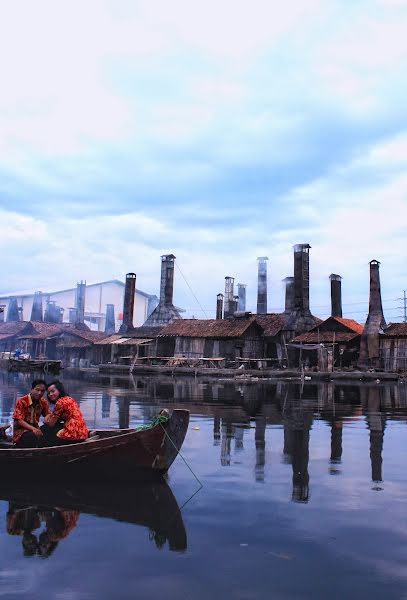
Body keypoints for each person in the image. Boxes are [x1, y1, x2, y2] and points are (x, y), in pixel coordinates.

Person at [42, 381, 88, 445]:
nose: (50, 394)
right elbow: (57, 418)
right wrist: (50, 416)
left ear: (59, 391)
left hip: (72, 433)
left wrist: (45, 420)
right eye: (48, 393)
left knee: (46, 429)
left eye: (53, 391)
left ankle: (45, 449)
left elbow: (51, 424)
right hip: (82, 432)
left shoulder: (59, 402)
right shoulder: (69, 398)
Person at [12, 379, 50, 447]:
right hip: (21, 432)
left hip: (35, 430)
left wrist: (47, 417)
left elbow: (48, 414)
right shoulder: (21, 401)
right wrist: (33, 429)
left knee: (49, 430)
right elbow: (18, 420)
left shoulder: (43, 402)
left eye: (42, 391)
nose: (39, 393)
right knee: (31, 436)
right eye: (37, 390)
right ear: (31, 389)